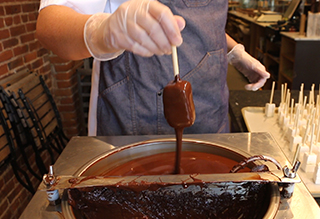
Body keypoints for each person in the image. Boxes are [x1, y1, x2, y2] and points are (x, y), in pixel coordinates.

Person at [36, 0, 270, 136]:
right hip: (135, 120)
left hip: (213, 112)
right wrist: (102, 32)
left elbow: (191, 21)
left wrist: (232, 51)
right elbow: (49, 25)